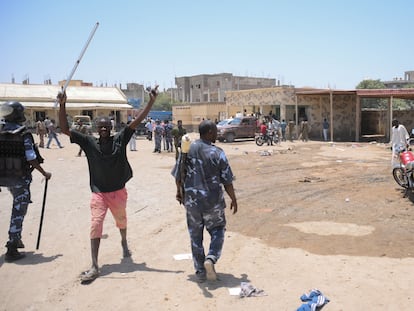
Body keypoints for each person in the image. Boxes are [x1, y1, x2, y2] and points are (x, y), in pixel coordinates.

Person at [57, 86, 158, 283]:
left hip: (118, 192)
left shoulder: (120, 139)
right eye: (100, 127)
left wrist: (151, 102)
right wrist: (62, 104)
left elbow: (137, 120)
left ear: (111, 128)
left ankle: (124, 241)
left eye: (106, 127)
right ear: (96, 128)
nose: (103, 129)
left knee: (121, 221)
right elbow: (64, 129)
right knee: (96, 224)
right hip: (99, 193)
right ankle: (94, 265)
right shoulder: (88, 142)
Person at [171, 120, 238, 282]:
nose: (216, 134)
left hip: (192, 202)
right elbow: (227, 180)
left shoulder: (188, 149)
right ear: (209, 133)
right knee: (218, 230)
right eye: (215, 131)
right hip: (212, 201)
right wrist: (233, 198)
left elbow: (178, 174)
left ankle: (200, 272)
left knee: (195, 237)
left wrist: (179, 192)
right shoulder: (217, 153)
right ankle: (211, 258)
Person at [0, 101, 52, 262]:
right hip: (19, 179)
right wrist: (44, 173)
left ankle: (16, 239)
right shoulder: (23, 134)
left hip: (2, 178)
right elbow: (31, 158)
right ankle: (12, 246)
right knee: (18, 211)